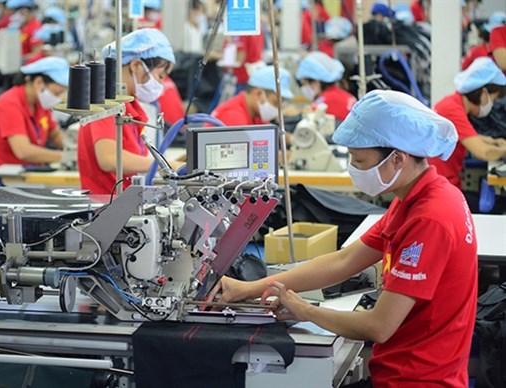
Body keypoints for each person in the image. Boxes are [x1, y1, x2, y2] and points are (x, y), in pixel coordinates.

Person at [213, 89, 477, 388]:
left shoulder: (430, 218)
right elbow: (345, 260)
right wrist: (248, 288)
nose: (353, 170)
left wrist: (307, 311)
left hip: (418, 379)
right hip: (408, 369)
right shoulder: (415, 199)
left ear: (398, 159)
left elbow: (379, 326)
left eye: (360, 161)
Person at [77, 28, 183, 194]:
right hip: (107, 207)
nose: (161, 84)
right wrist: (163, 164)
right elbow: (109, 159)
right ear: (135, 65)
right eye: (160, 76)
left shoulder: (132, 107)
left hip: (126, 201)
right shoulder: (106, 102)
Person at [428, 57, 506, 190]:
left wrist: (493, 142)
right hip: (441, 187)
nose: (491, 105)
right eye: (492, 99)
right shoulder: (452, 110)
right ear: (483, 93)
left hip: (442, 183)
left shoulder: (452, 103)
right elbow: (484, 153)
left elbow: (465, 137)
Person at [0, 57, 68, 180]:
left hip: (31, 174)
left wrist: (75, 148)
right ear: (38, 82)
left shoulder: (40, 104)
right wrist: (67, 157)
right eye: (57, 93)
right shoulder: (9, 104)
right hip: (6, 179)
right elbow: (23, 151)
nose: (59, 98)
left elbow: (54, 134)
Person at [211, 65, 294, 126]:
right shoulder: (234, 116)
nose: (277, 110)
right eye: (275, 103)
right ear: (259, 93)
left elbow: (270, 134)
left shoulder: (254, 113)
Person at [295, 51, 357, 122]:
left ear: (315, 82)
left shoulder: (324, 102)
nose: (303, 88)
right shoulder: (344, 95)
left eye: (304, 84)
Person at [5, 0, 42, 64]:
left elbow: (36, 54)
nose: (18, 16)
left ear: (27, 12)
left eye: (21, 13)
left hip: (26, 65)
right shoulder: (23, 26)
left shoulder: (35, 28)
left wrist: (20, 59)